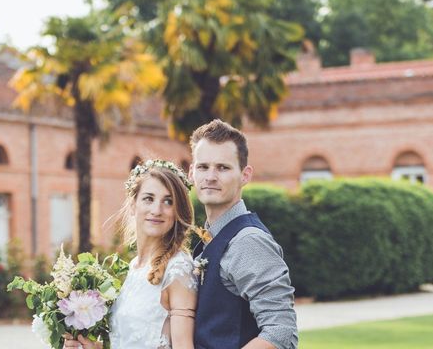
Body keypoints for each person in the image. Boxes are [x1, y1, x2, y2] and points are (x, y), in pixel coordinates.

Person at [64, 160, 198, 349]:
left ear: (178, 211)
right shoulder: (135, 266)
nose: (157, 210)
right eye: (148, 199)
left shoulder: (178, 270)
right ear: (133, 204)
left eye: (168, 201)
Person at [189, 119, 298, 349]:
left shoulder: (248, 241)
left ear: (245, 175)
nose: (210, 176)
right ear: (191, 173)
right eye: (203, 167)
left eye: (223, 167)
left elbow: (281, 331)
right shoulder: (208, 237)